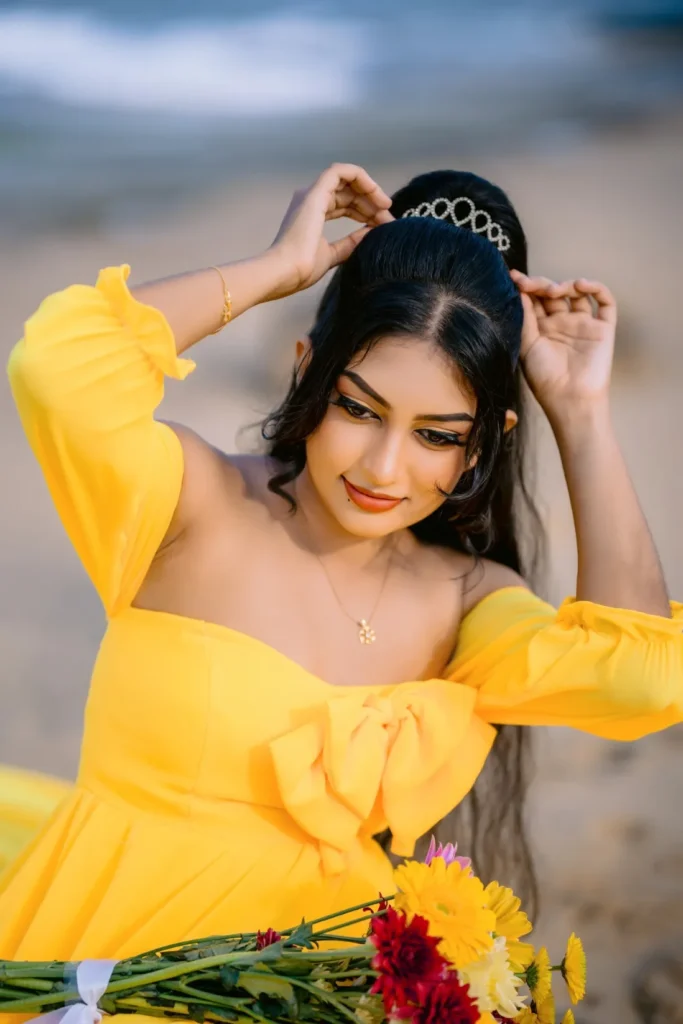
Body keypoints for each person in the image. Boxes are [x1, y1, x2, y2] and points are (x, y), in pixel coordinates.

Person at [0, 163, 681, 983]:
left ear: (482, 444)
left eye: (436, 435)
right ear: (306, 371)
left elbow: (642, 678)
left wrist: (578, 412)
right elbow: (59, 369)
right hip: (96, 955)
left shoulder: (465, 604)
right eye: (358, 408)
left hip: (318, 985)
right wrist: (277, 268)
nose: (384, 468)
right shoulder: (191, 503)